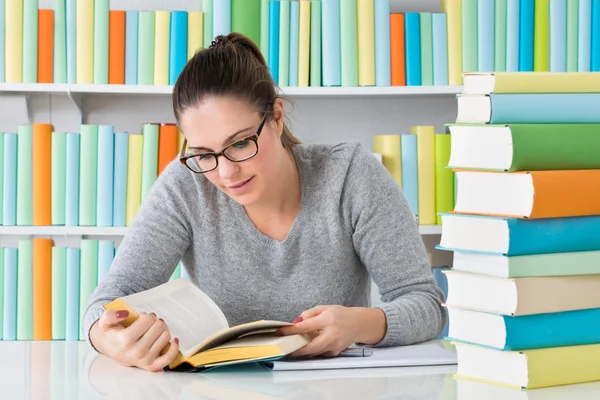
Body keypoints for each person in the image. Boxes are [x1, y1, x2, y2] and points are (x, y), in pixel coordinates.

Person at [83, 33, 446, 372]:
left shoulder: (350, 176)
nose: (225, 173)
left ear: (275, 117)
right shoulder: (185, 186)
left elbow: (427, 305)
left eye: (240, 143)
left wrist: (361, 324)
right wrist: (109, 338)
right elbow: (106, 303)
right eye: (204, 154)